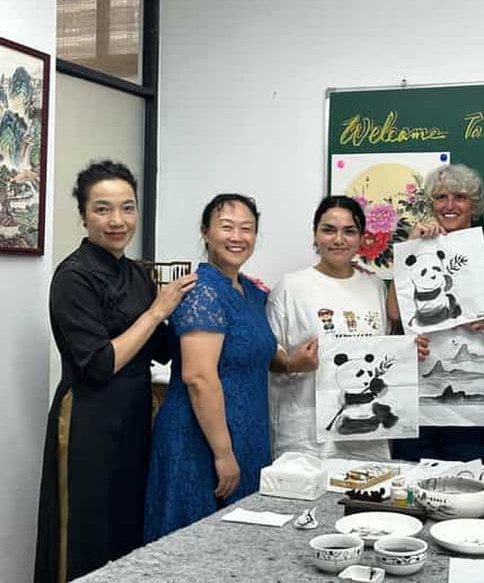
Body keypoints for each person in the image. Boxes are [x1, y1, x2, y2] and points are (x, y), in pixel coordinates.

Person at [34, 161, 197, 583]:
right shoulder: (73, 277)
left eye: (127, 208)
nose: (117, 221)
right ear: (84, 216)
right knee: (86, 535)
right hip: (88, 418)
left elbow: (160, 348)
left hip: (135, 416)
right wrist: (158, 310)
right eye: (103, 209)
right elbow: (101, 363)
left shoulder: (136, 274)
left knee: (127, 530)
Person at [144, 194, 315, 541]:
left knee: (238, 548)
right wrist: (223, 454)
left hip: (248, 435)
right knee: (194, 548)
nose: (237, 237)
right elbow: (198, 377)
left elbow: (252, 352)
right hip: (199, 439)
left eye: (246, 229)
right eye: (226, 227)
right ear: (205, 232)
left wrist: (292, 362)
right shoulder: (201, 291)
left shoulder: (251, 292)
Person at [268, 195, 421, 460]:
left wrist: (406, 352)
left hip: (367, 438)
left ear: (362, 238)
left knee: (365, 499)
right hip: (306, 437)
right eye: (328, 230)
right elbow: (268, 355)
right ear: (315, 235)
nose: (338, 240)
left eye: (349, 231)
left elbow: (380, 351)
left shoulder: (373, 286)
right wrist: (293, 362)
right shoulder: (291, 287)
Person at [389, 163, 484, 464]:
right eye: (441, 197)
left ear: (475, 204)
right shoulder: (416, 246)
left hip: (477, 390)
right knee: (410, 480)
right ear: (430, 203)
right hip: (418, 390)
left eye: (460, 197)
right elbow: (394, 311)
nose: (449, 205)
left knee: (470, 477)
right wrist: (410, 248)